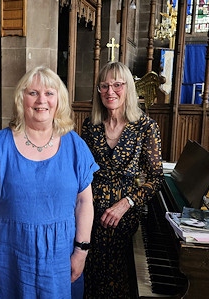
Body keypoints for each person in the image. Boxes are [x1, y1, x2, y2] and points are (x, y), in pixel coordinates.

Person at [0, 66, 99, 298]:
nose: (42, 100)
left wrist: (81, 251)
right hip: (6, 256)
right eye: (33, 93)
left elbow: (84, 203)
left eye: (49, 93)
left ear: (60, 100)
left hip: (59, 260)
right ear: (21, 99)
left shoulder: (76, 146)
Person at [81, 61, 164, 298]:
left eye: (117, 85)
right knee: (90, 278)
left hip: (124, 218)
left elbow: (156, 177)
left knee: (120, 284)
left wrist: (126, 202)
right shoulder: (91, 125)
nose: (110, 91)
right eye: (104, 86)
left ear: (128, 88)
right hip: (90, 215)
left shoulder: (145, 126)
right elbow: (81, 171)